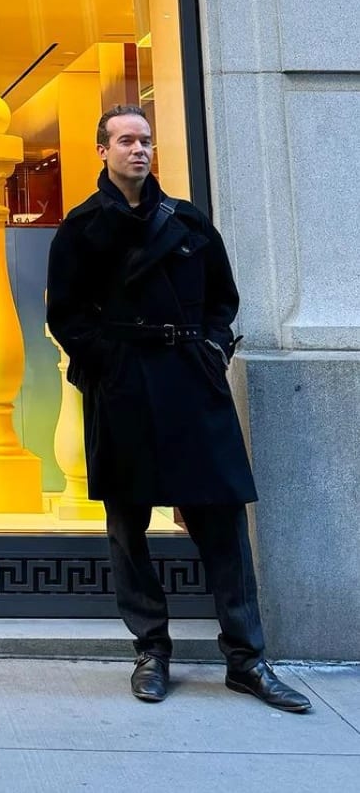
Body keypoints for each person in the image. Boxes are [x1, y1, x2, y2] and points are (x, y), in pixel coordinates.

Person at [45, 105, 310, 712]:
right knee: (127, 528)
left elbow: (224, 297)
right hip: (126, 387)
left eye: (145, 141)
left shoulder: (187, 221)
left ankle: (246, 659)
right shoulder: (82, 228)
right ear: (102, 150)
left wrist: (212, 349)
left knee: (222, 523)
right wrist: (107, 367)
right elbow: (66, 315)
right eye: (126, 141)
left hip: (191, 382)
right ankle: (151, 651)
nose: (139, 150)